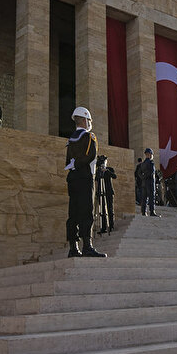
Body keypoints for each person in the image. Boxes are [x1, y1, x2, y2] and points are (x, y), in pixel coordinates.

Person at [64, 106, 106, 258]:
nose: (90, 123)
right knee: (86, 211)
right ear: (84, 120)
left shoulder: (71, 139)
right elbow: (90, 155)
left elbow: (68, 161)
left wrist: (74, 165)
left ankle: (73, 248)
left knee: (73, 213)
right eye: (89, 120)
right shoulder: (89, 136)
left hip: (73, 178)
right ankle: (87, 246)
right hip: (85, 177)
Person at [95, 155, 117, 234]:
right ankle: (103, 227)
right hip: (101, 193)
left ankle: (111, 226)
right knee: (102, 210)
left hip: (109, 192)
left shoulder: (110, 169)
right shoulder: (98, 171)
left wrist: (106, 171)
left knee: (110, 209)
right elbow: (96, 179)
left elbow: (114, 176)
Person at [139, 148, 160, 217]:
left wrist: (143, 178)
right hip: (150, 182)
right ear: (150, 154)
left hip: (144, 183)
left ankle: (143, 212)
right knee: (151, 197)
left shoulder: (142, 164)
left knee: (144, 198)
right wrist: (146, 177)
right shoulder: (151, 163)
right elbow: (152, 172)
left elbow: (139, 173)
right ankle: (152, 211)